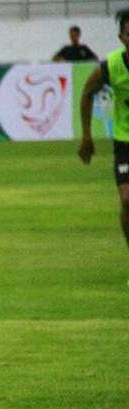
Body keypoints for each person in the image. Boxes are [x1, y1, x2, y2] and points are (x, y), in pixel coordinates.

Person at [78, 9, 129, 246]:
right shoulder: (112, 67)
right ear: (122, 38)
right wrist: (87, 136)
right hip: (125, 141)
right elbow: (87, 92)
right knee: (127, 199)